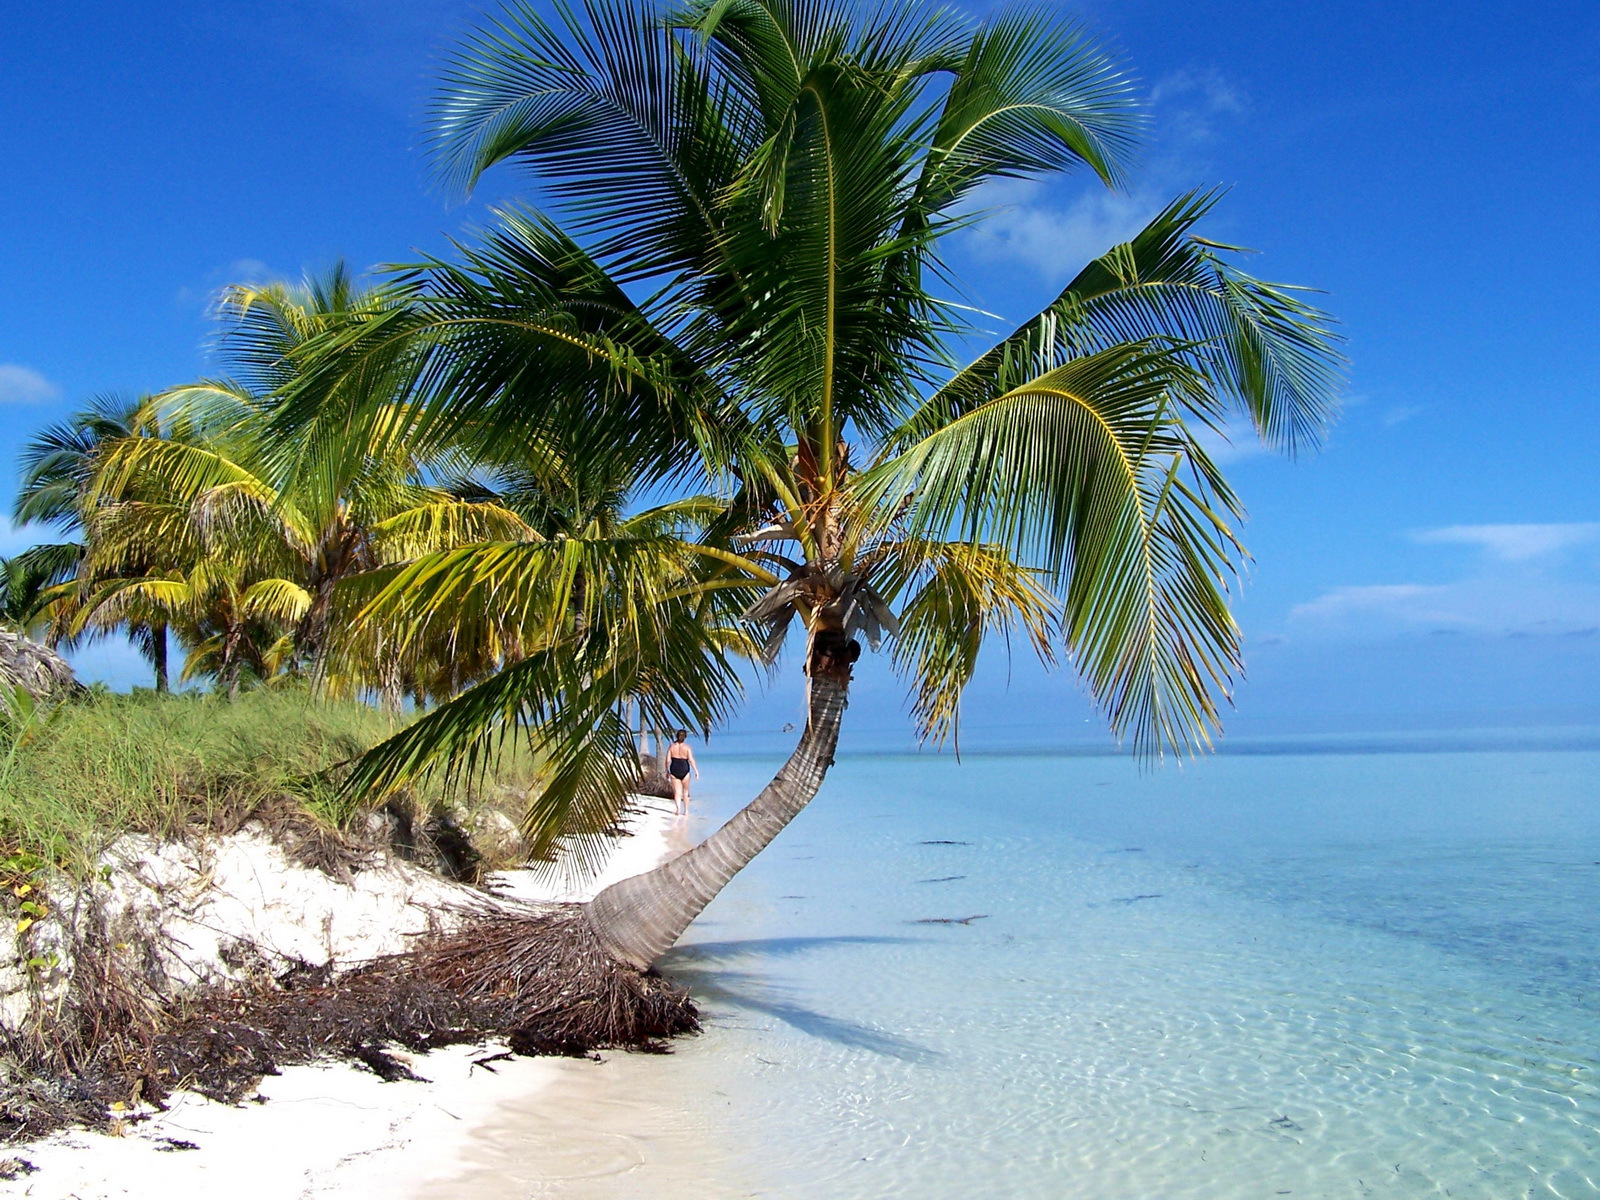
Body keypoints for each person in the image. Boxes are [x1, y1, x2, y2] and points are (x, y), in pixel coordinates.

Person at [666, 730, 698, 816]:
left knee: (677, 792)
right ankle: (686, 811)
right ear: (685, 737)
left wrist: (667, 771)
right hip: (685, 770)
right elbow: (691, 760)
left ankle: (678, 809)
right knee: (686, 792)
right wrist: (696, 771)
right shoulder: (687, 747)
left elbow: (668, 760)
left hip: (674, 770)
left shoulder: (671, 747)